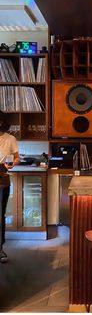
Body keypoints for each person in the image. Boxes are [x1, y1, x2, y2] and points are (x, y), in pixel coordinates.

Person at [0, 111, 20, 263]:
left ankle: (0, 248)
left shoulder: (10, 138)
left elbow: (17, 156)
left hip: (2, 176)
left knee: (0, 215)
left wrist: (13, 163)